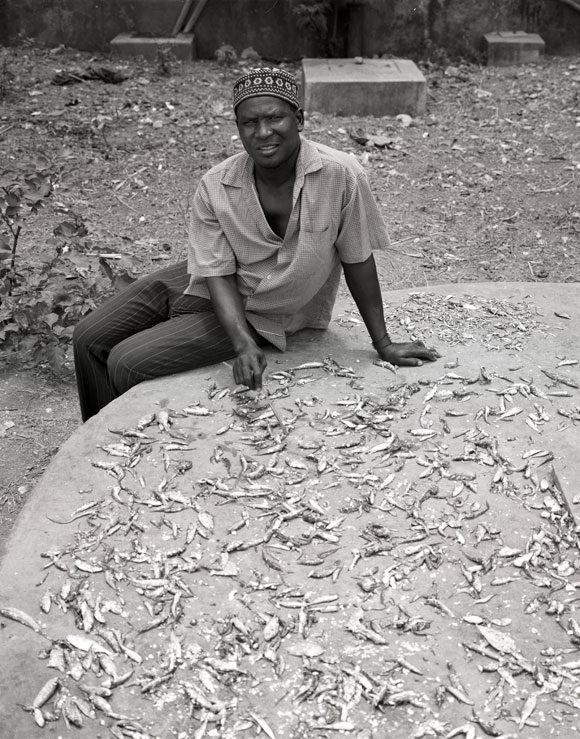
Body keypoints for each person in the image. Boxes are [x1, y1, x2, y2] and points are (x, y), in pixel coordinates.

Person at [73, 67, 440, 422]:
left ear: (299, 119)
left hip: (262, 311)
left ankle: (121, 441)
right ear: (238, 128)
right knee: (87, 336)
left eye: (275, 118)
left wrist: (384, 342)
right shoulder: (216, 184)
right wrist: (241, 346)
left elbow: (358, 258)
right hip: (214, 282)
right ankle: (94, 443)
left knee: (126, 361)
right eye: (249, 123)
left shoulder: (341, 174)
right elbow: (215, 272)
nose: (263, 132)